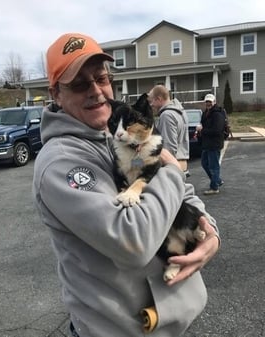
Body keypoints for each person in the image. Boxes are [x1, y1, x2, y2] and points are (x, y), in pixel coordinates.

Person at [32, 33, 220, 337]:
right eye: (80, 84)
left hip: (170, 320)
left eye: (101, 78)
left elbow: (182, 194)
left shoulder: (116, 134)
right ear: (56, 93)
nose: (96, 90)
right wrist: (172, 170)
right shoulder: (60, 163)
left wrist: (210, 233)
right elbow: (134, 241)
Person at [148, 84, 191, 176]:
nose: (151, 105)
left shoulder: (167, 116)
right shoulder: (180, 112)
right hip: (182, 164)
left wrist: (138, 163)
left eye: (151, 101)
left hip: (172, 168)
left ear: (159, 99)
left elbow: (168, 150)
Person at [197, 93, 225, 195]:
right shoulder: (205, 113)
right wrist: (199, 130)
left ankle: (214, 187)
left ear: (214, 102)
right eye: (207, 102)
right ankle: (217, 180)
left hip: (215, 144)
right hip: (206, 144)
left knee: (213, 166)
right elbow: (203, 124)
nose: (208, 103)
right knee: (204, 163)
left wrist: (203, 130)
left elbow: (217, 131)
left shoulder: (218, 114)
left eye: (210, 102)